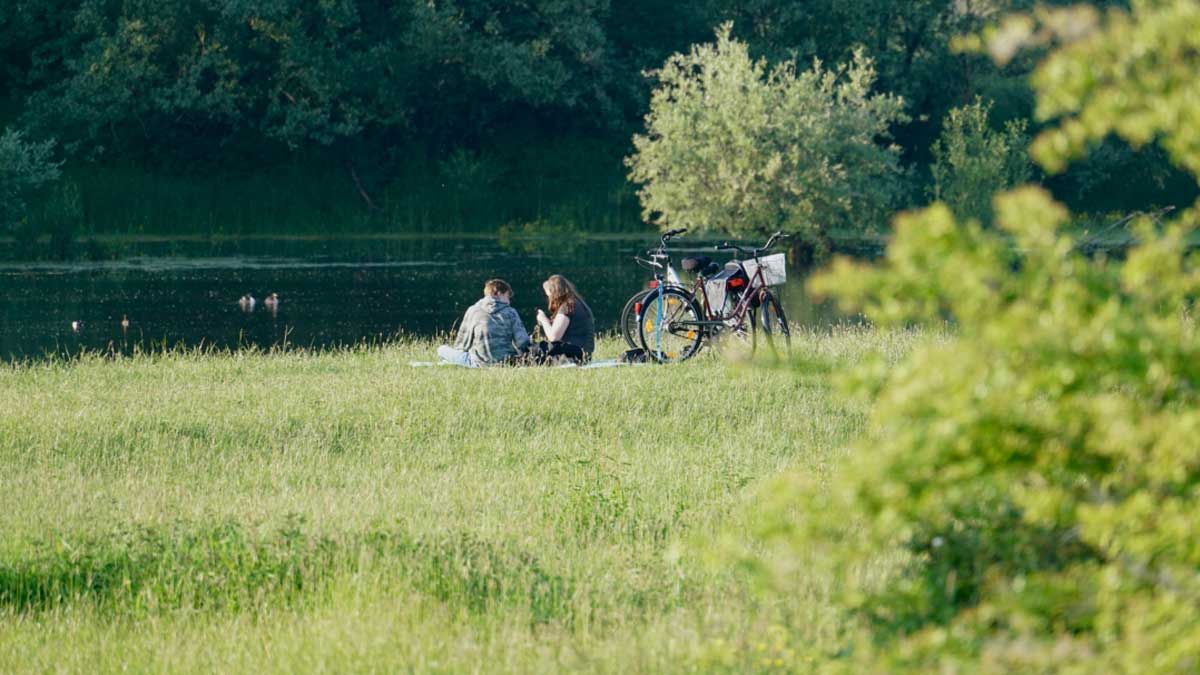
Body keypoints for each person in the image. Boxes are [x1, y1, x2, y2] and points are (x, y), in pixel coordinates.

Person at [437, 279, 530, 367]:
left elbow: (463, 343)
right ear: (498, 293)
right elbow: (522, 342)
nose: (509, 301)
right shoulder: (511, 312)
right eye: (507, 296)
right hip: (506, 362)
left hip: (479, 363)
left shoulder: (473, 311)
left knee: (441, 349)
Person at [533, 274, 595, 364]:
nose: (549, 299)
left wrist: (543, 319)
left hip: (571, 357)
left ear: (554, 293)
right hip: (582, 355)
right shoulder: (578, 303)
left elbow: (553, 337)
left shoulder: (568, 306)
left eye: (549, 296)